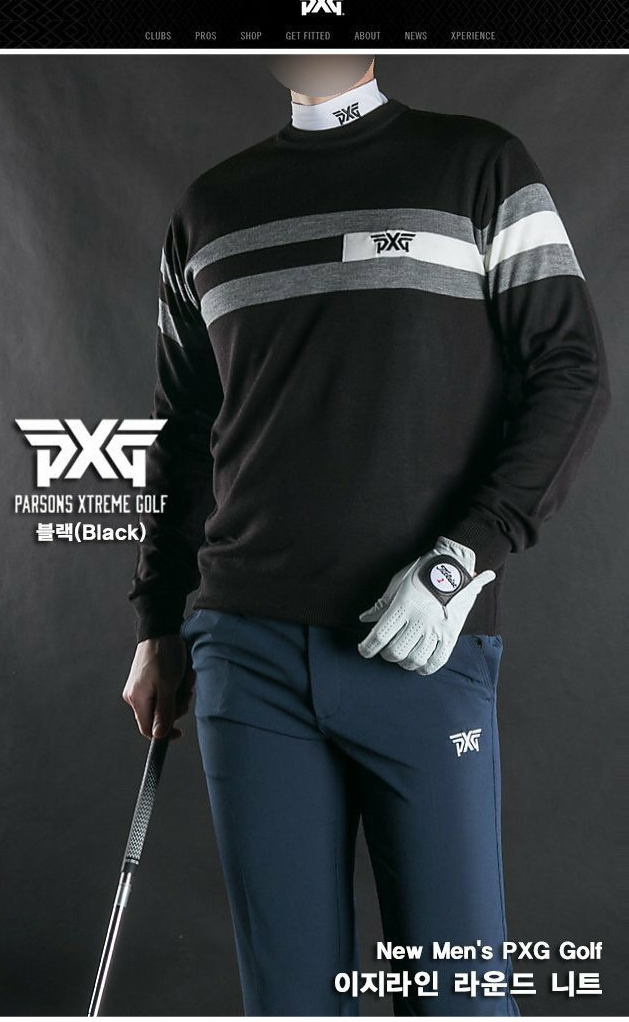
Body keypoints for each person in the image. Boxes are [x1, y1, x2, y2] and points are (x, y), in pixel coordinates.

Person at [123, 58, 610, 1016]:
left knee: (458, 999)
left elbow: (572, 369)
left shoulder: (480, 166)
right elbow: (183, 434)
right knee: (292, 1004)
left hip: (421, 642)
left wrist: (460, 559)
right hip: (247, 655)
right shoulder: (207, 210)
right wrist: (158, 620)